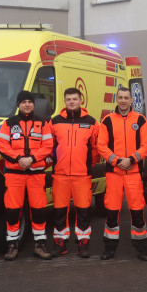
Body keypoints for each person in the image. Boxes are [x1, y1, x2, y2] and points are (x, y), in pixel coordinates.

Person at [0, 90, 54, 261]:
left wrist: (33, 159)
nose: (27, 104)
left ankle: (40, 244)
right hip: (15, 174)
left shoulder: (42, 123)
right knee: (13, 210)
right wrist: (20, 159)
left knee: (39, 210)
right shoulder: (9, 123)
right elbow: (2, 145)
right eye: (23, 102)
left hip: (36, 174)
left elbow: (48, 145)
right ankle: (12, 245)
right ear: (18, 104)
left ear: (33, 104)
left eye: (30, 101)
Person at [97, 86, 147, 261]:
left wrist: (131, 159)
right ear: (117, 99)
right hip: (114, 173)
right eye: (120, 97)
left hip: (134, 173)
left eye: (126, 98)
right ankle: (110, 248)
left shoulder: (141, 120)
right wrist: (117, 160)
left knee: (137, 211)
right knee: (112, 211)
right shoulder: (107, 121)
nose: (123, 100)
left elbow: (145, 146)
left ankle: (142, 248)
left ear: (131, 100)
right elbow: (101, 146)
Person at [49, 87, 99, 258]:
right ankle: (60, 244)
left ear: (81, 100)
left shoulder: (91, 122)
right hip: (60, 176)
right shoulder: (54, 122)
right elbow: (49, 147)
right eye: (68, 99)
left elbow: (95, 148)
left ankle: (83, 244)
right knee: (59, 212)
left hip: (82, 176)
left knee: (84, 211)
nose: (72, 102)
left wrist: (86, 167)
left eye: (75, 99)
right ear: (64, 101)